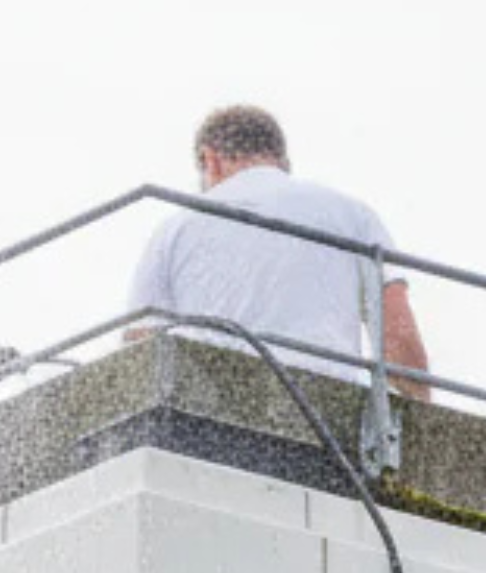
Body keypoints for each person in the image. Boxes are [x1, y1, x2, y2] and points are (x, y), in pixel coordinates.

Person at [129, 105, 431, 396]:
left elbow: (139, 348)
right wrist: (421, 427)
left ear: (210, 160)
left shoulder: (174, 230)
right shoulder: (353, 215)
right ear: (279, 159)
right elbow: (399, 335)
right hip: (330, 403)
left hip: (207, 405)